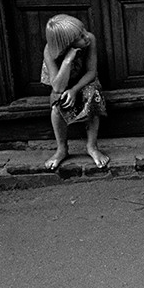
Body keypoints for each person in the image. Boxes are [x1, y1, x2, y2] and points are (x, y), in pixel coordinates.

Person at [41, 14, 109, 171]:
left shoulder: (89, 39)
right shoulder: (49, 51)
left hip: (84, 81)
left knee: (93, 97)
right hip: (61, 82)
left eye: (84, 30)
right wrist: (67, 61)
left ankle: (92, 146)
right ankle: (62, 149)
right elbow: (57, 87)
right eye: (80, 36)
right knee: (57, 105)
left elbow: (92, 72)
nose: (86, 36)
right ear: (67, 44)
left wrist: (74, 90)